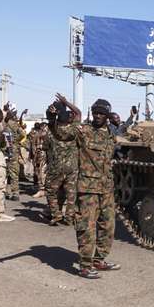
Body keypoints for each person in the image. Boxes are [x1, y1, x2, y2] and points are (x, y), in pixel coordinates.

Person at [49, 95, 118, 279]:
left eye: (101, 113)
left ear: (107, 115)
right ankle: (85, 266)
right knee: (87, 227)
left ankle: (99, 259)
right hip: (88, 188)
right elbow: (61, 134)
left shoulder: (111, 132)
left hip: (106, 188)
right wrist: (52, 119)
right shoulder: (83, 131)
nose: (97, 116)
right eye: (95, 112)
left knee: (108, 225)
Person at [43, 101, 78, 226]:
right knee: (71, 193)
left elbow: (45, 147)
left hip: (56, 166)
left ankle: (56, 214)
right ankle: (69, 217)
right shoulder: (74, 130)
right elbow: (78, 113)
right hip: (72, 167)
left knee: (51, 191)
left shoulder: (51, 131)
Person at [3, 106, 25, 201]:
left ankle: (5, 191)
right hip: (13, 150)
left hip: (4, 150)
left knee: (4, 172)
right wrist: (16, 141)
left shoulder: (2, 124)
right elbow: (22, 134)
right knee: (14, 172)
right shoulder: (15, 124)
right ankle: (15, 193)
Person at [27, 123, 47, 198]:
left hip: (44, 157)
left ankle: (43, 190)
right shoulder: (37, 135)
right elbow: (33, 146)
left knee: (42, 173)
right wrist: (32, 156)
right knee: (39, 173)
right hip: (39, 157)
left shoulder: (46, 135)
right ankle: (41, 189)